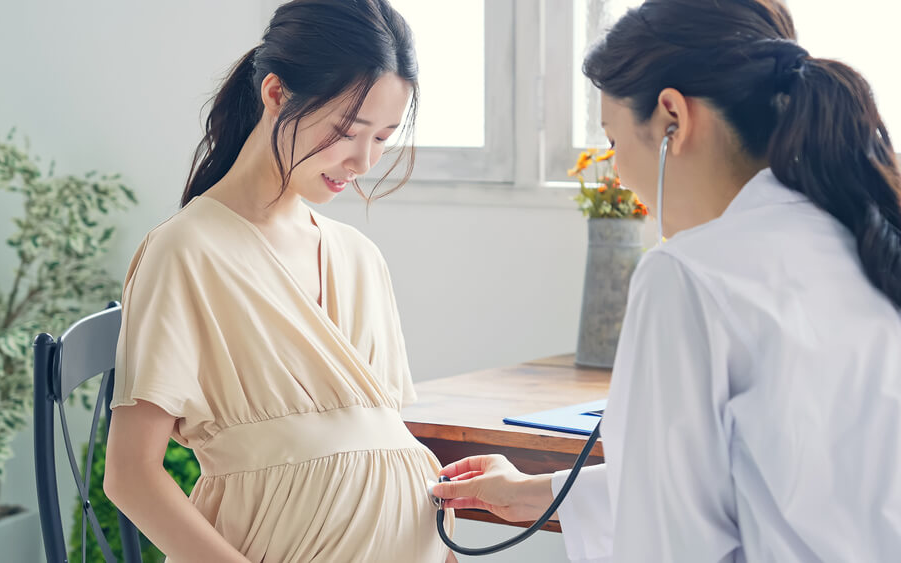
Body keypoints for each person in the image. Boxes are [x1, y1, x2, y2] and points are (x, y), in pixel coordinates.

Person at [433, 0, 901, 561]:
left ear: (671, 120)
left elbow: (668, 543)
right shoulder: (866, 235)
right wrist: (536, 493)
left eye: (613, 140)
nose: (617, 171)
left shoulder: (688, 274)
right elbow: (778, 489)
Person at [103, 1, 454, 561]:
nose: (363, 160)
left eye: (384, 138)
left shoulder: (360, 258)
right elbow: (129, 475)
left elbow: (381, 448)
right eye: (346, 130)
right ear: (276, 94)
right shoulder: (185, 250)